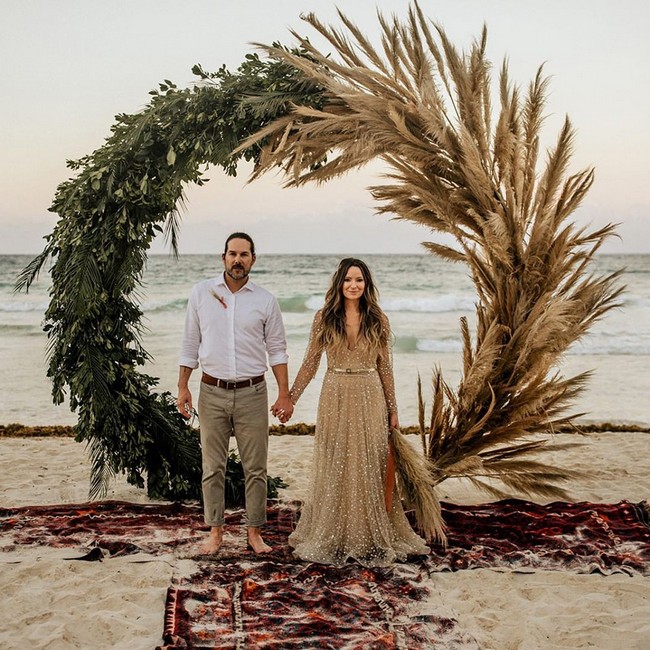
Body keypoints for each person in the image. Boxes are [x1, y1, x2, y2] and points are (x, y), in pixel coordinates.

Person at [279, 258, 430, 566]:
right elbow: (310, 362)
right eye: (348, 279)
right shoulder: (324, 317)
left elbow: (385, 367)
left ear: (366, 285)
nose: (353, 285)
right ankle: (336, 531)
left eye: (359, 280)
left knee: (368, 462)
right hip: (334, 391)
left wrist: (393, 410)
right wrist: (291, 397)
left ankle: (368, 532)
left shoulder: (378, 319)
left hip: (369, 393)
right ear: (339, 283)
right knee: (336, 459)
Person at [177, 232, 294, 554]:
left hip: (252, 393)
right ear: (223, 257)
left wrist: (284, 395)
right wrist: (182, 387)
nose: (237, 260)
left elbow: (277, 350)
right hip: (211, 391)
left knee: (255, 468)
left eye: (244, 254)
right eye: (232, 254)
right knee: (212, 466)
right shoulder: (201, 293)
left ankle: (254, 533)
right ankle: (215, 533)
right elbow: (190, 344)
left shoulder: (266, 300)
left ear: (253, 259)